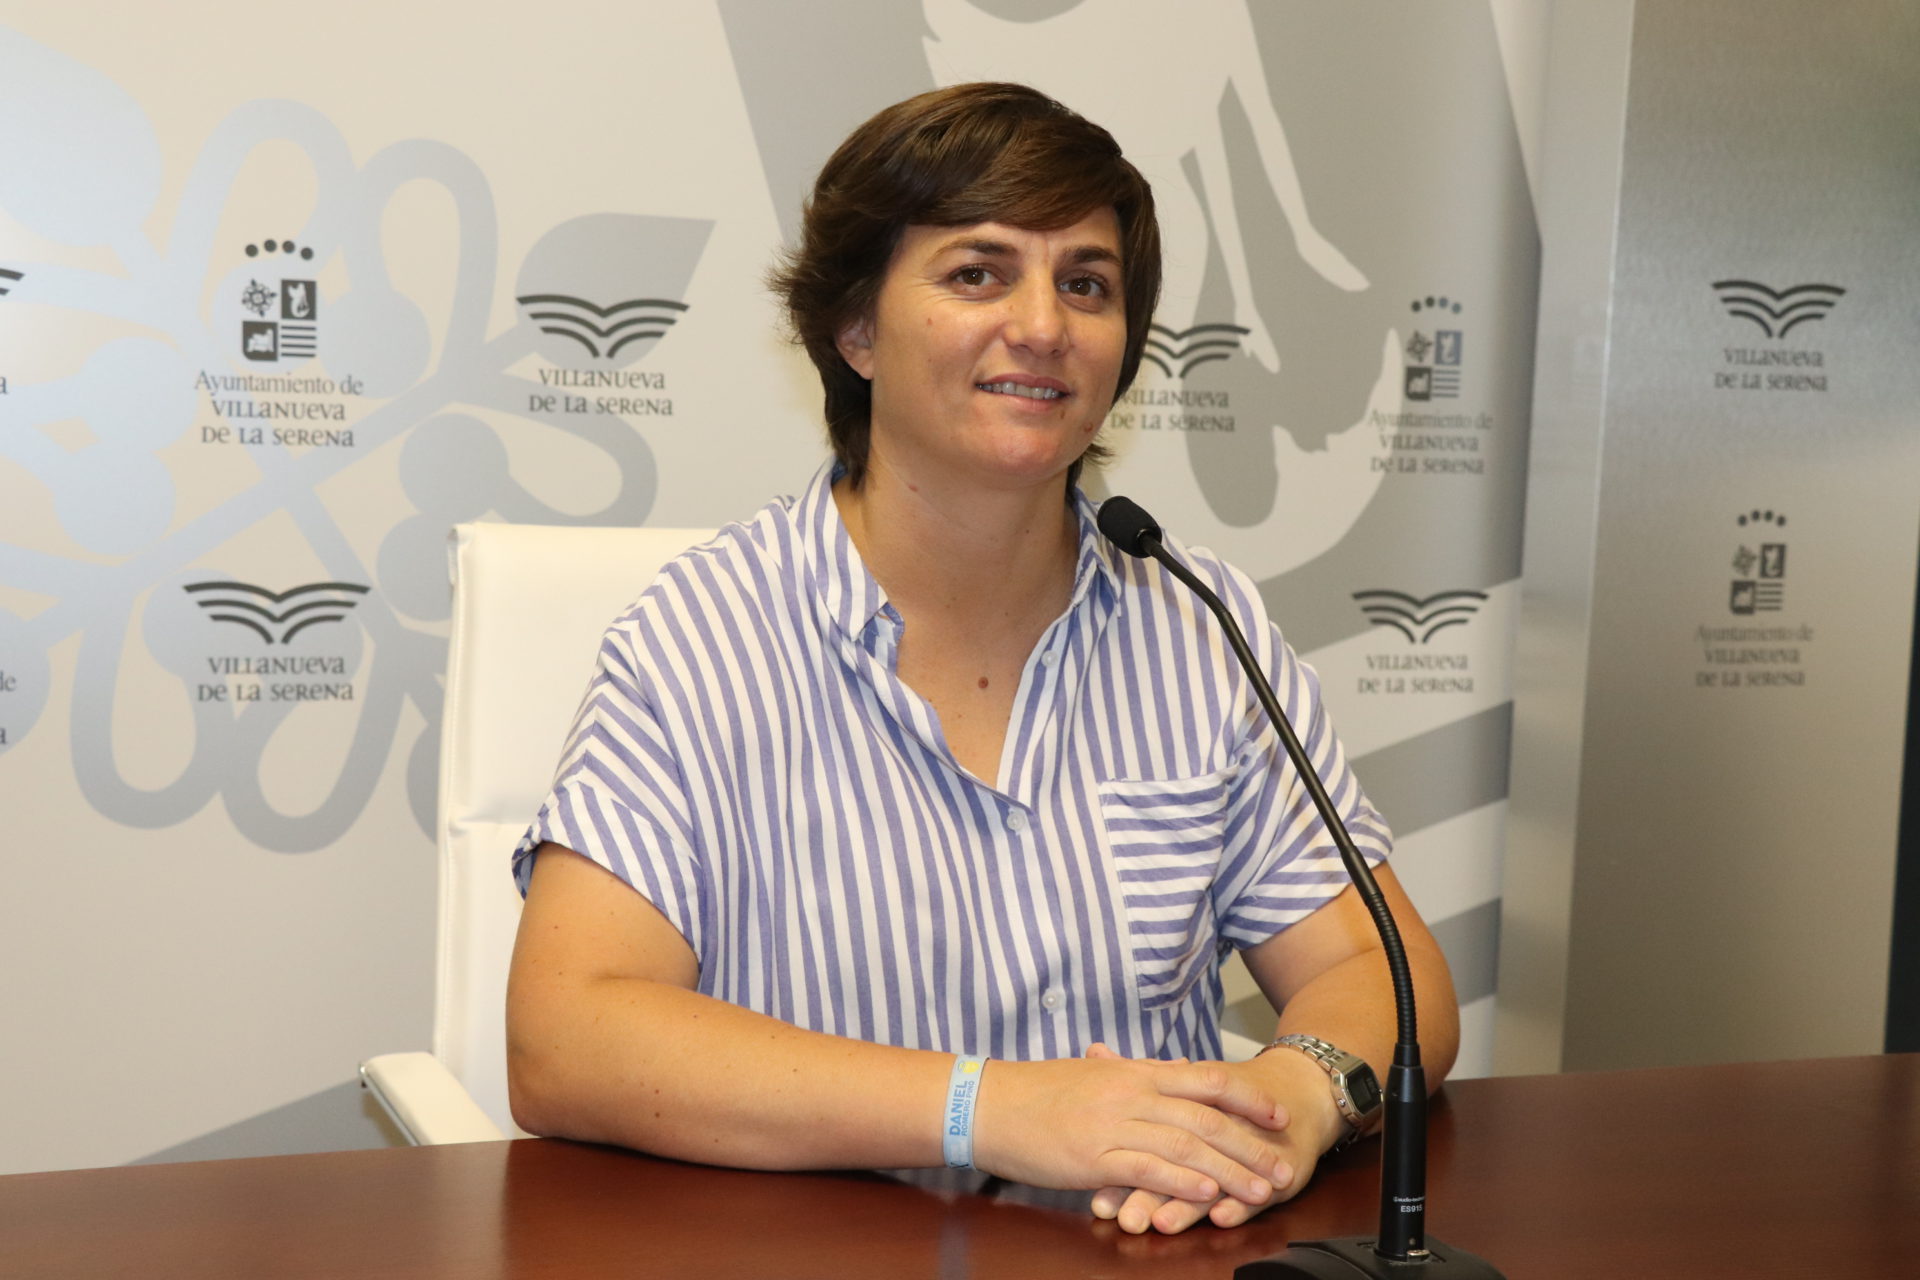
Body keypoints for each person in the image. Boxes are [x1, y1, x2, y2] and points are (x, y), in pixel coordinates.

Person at [505, 82, 1458, 1237]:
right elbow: (567, 1033)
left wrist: (1297, 1095)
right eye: (977, 273)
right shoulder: (700, 638)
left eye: (1087, 284)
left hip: (1142, 1252)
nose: (1044, 325)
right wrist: (987, 1107)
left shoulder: (1197, 627)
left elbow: (1387, 970)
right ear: (856, 329)